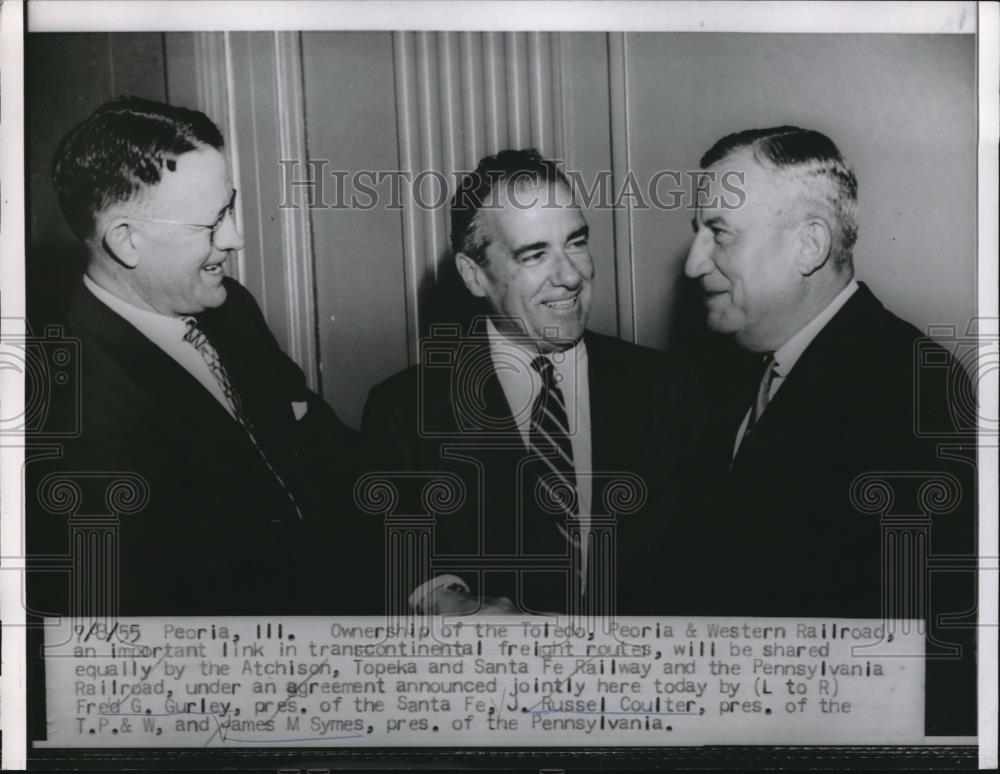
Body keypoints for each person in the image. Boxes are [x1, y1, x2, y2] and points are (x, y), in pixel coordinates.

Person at [28, 97, 377, 617]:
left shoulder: (231, 309)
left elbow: (324, 451)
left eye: (231, 208)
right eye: (211, 223)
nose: (235, 239)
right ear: (126, 241)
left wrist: (429, 579)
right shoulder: (72, 411)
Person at [683, 126, 976, 735]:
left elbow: (923, 660)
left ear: (809, 244)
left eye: (719, 233)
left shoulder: (910, 388)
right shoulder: (742, 370)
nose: (692, 263)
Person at [362, 149, 705, 616]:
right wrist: (443, 598)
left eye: (577, 242)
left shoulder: (668, 387)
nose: (570, 276)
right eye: (534, 254)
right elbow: (396, 553)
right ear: (474, 275)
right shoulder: (405, 410)